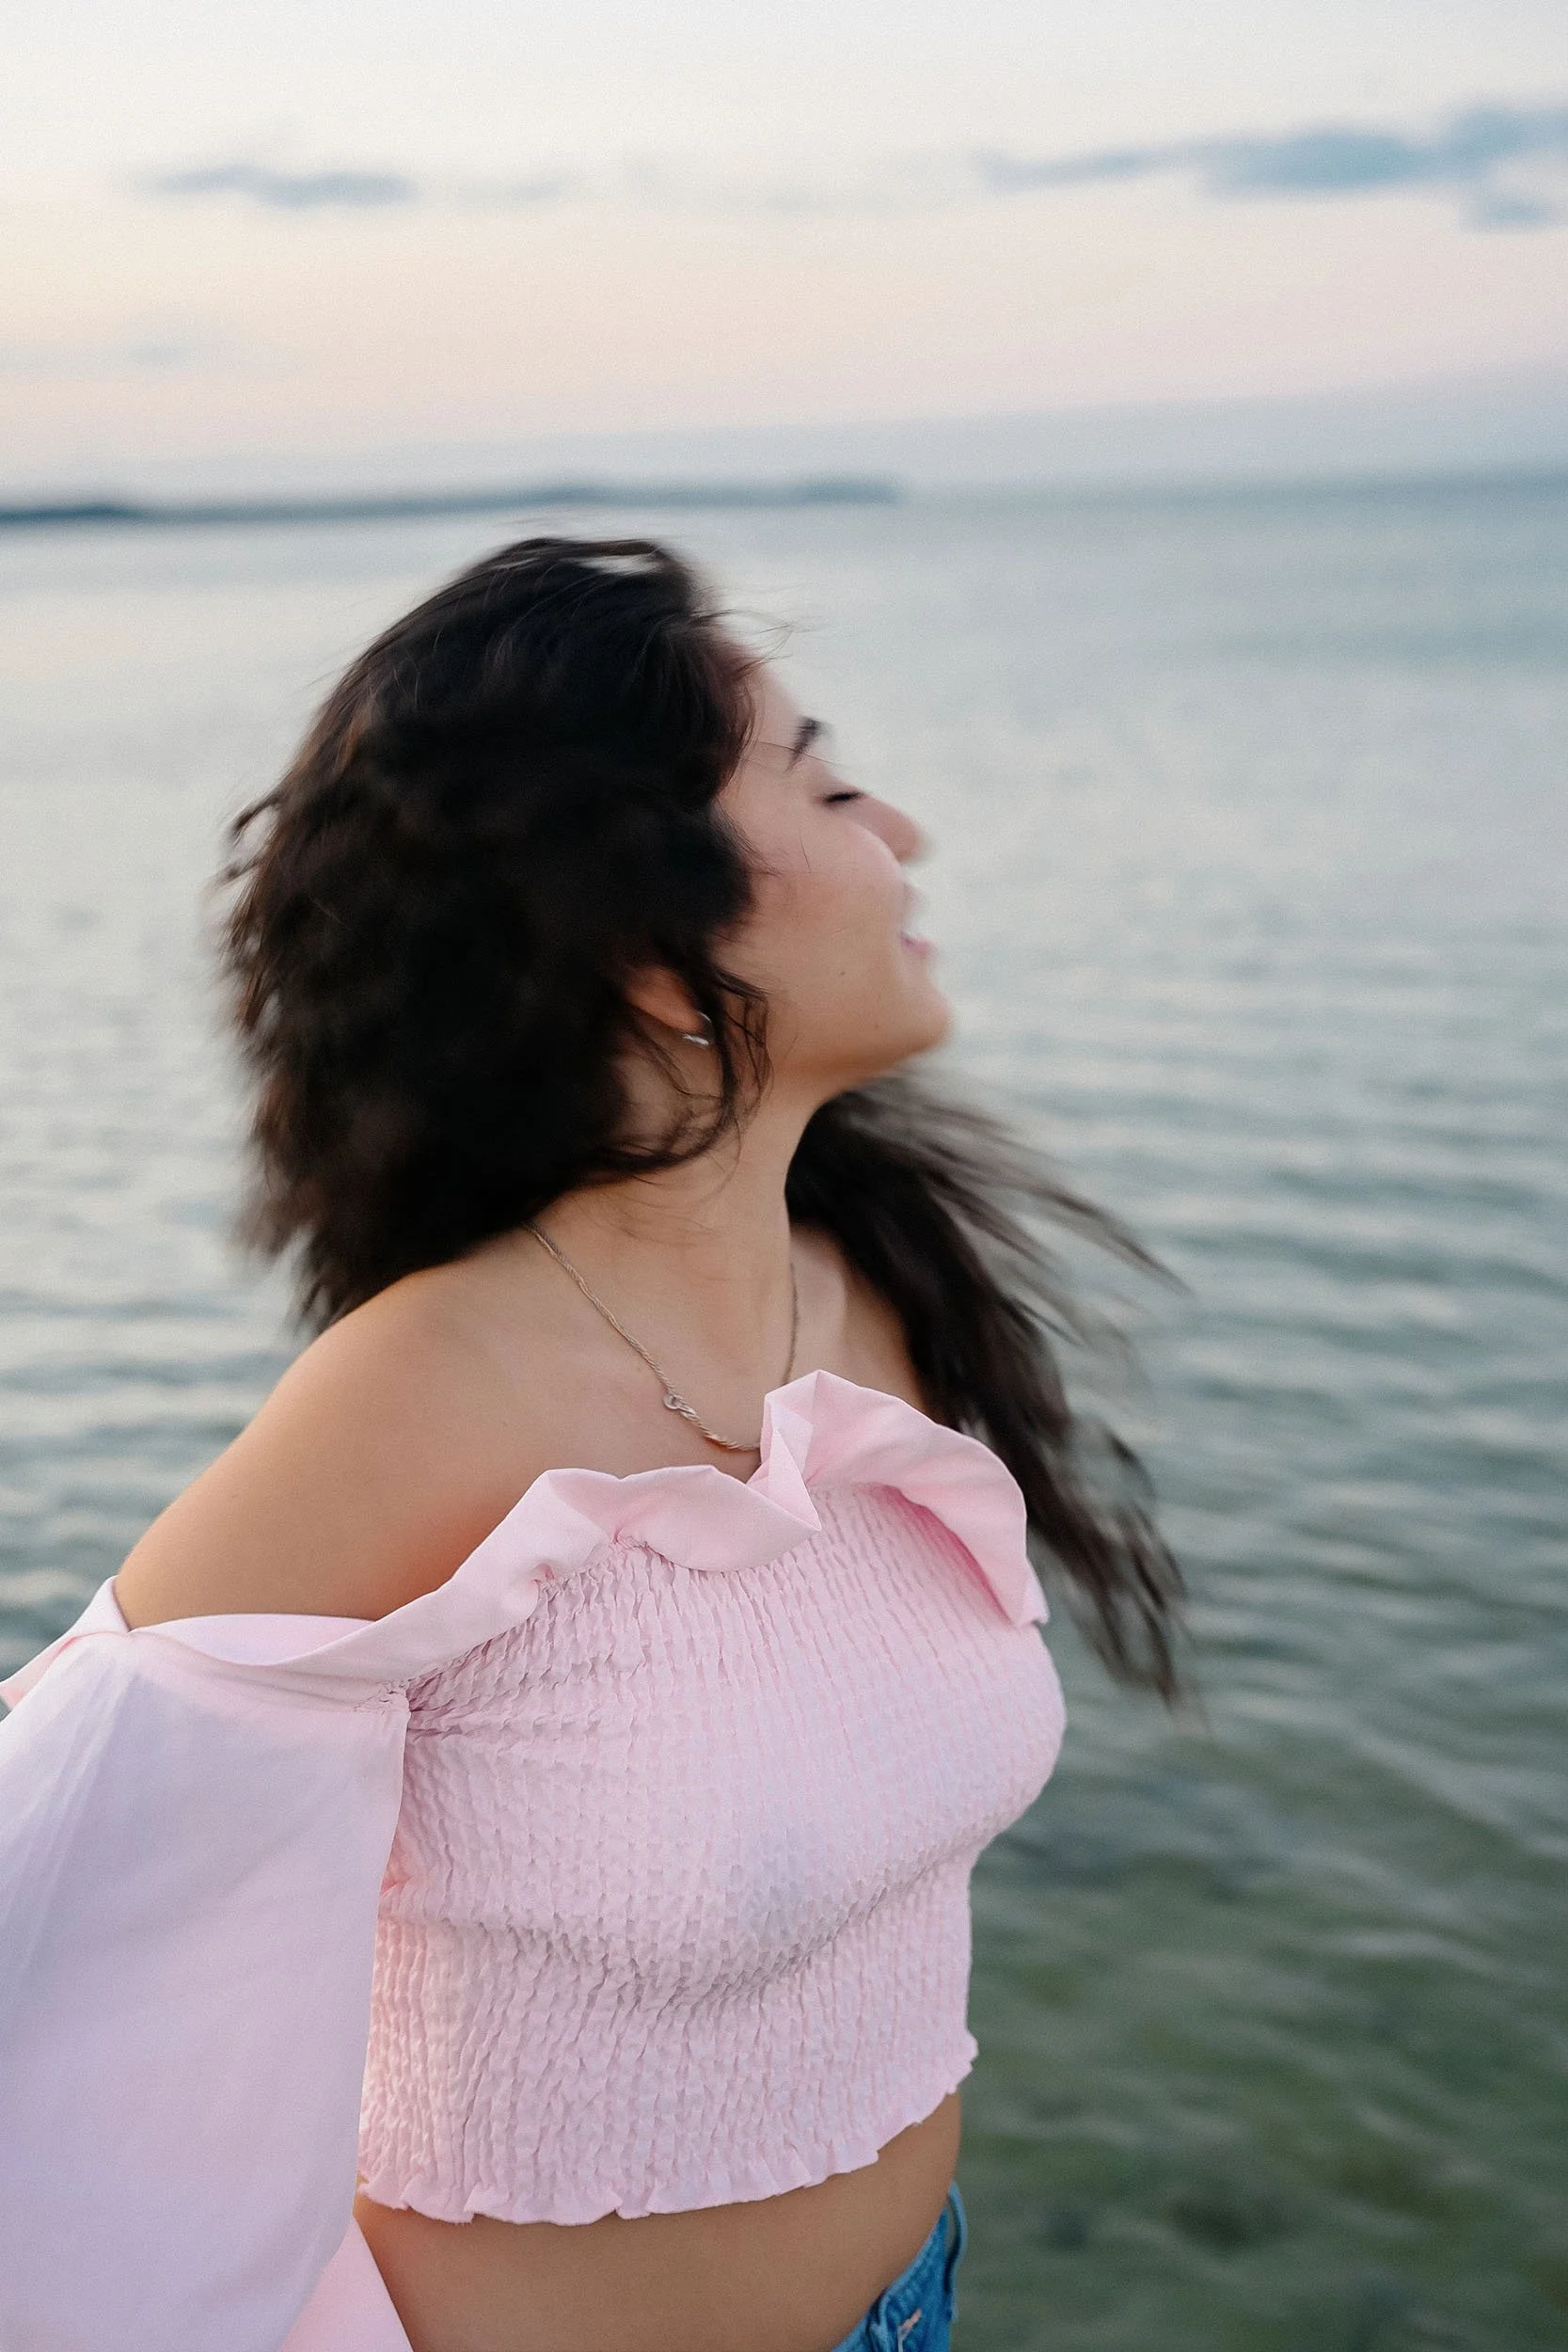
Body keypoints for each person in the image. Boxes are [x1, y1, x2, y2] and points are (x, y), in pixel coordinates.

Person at [0, 537, 1181, 2352]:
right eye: (829, 781)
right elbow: (52, 1863)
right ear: (643, 938)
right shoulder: (422, 1398)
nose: (905, 835)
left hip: (918, 2303)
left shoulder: (869, 1289)